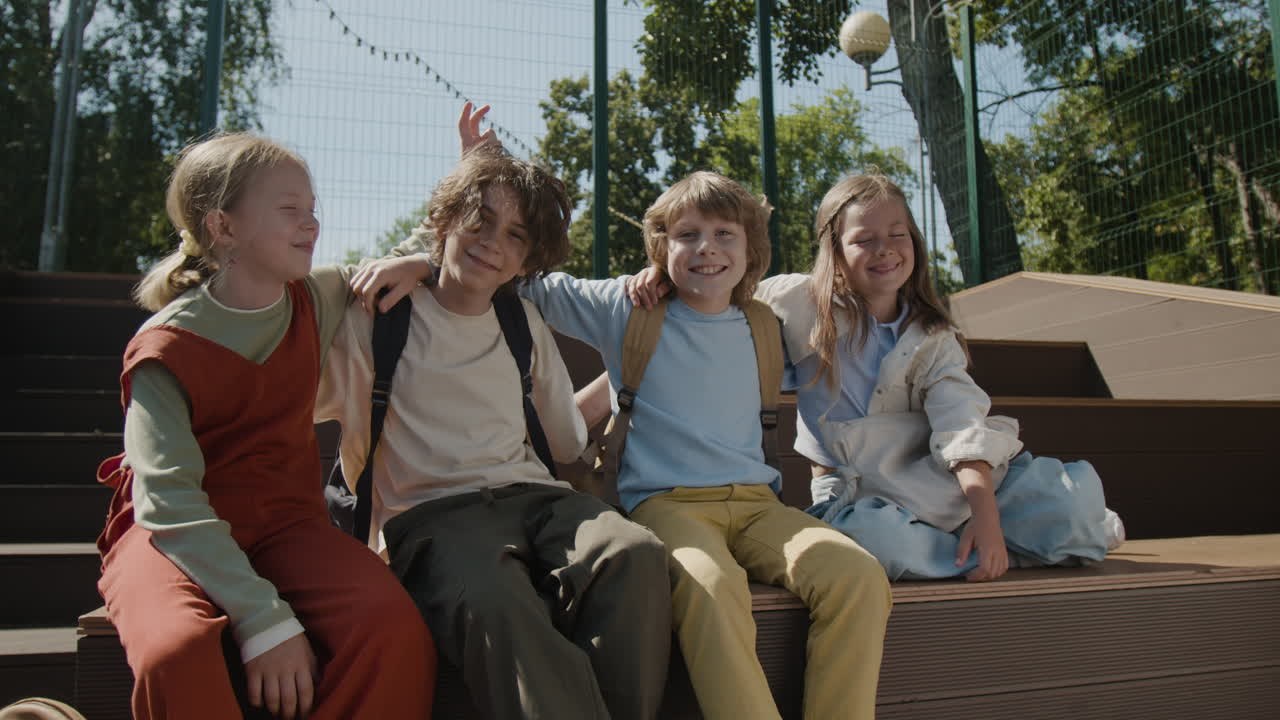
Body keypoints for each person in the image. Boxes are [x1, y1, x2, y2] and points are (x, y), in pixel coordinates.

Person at [484, 166, 893, 720]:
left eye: (726, 234)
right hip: (667, 504)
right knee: (710, 584)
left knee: (858, 576)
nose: (707, 249)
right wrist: (478, 187)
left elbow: (854, 294)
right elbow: (519, 277)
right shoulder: (627, 307)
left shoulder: (767, 324)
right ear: (660, 246)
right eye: (687, 235)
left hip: (757, 506)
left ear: (751, 249)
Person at [320, 126, 672, 720]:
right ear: (444, 221)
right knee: (497, 602)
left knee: (633, 552)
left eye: (515, 236)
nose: (492, 244)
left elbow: (564, 438)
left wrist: (626, 377)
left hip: (539, 501)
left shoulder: (521, 320)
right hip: (432, 517)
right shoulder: (378, 317)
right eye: (478, 221)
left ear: (529, 258)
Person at [631, 172, 1125, 583]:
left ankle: (1000, 537)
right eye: (863, 239)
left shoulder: (931, 333)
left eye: (897, 234)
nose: (884, 249)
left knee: (1076, 501)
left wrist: (987, 516)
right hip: (863, 492)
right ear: (834, 250)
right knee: (873, 544)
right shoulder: (797, 302)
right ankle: (991, 551)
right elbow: (713, 282)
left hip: (946, 480)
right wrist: (663, 278)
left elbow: (959, 425)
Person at [95, 133, 434, 720]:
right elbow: (168, 502)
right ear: (223, 227)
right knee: (176, 650)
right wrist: (264, 618)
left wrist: (426, 254)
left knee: (390, 629)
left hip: (286, 527)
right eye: (289, 210)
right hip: (173, 536)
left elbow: (407, 256)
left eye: (312, 210)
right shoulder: (163, 348)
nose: (312, 224)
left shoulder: (316, 296)